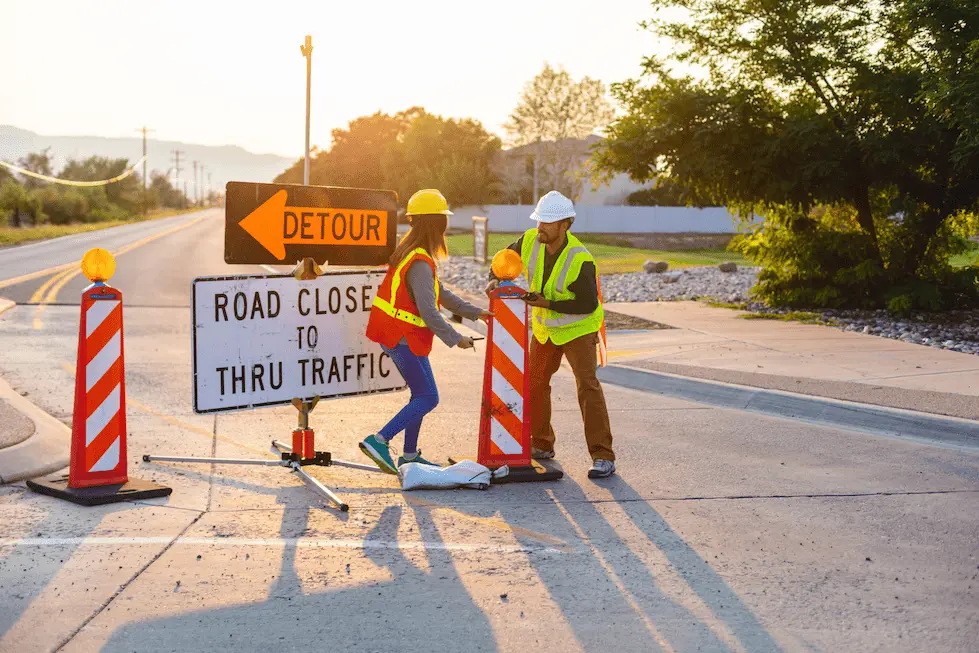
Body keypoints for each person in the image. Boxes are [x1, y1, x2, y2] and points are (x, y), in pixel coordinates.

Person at [485, 190, 615, 479]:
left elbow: (587, 303)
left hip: (579, 329)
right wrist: (493, 277)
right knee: (535, 383)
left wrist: (547, 303)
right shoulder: (531, 240)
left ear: (564, 225)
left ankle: (603, 456)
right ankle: (542, 444)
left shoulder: (581, 258)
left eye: (547, 223)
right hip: (546, 331)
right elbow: (505, 259)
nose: (540, 227)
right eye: (539, 220)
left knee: (587, 387)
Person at [362, 188, 491, 474]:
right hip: (402, 338)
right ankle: (379, 440)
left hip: (399, 336)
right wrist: (456, 338)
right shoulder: (419, 262)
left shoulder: (412, 254)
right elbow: (429, 311)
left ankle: (409, 455)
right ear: (438, 224)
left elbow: (439, 292)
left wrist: (475, 311)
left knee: (419, 396)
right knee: (428, 397)